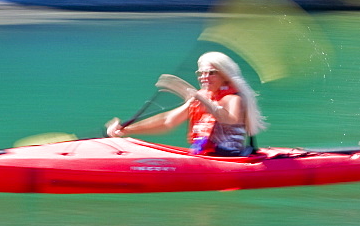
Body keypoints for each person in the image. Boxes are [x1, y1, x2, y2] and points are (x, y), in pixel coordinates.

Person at [106, 52, 267, 156]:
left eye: (211, 73)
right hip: (204, 155)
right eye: (201, 73)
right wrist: (126, 129)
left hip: (229, 158)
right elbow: (167, 122)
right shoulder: (201, 97)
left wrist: (199, 97)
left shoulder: (233, 99)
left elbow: (229, 118)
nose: (204, 77)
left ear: (225, 76)